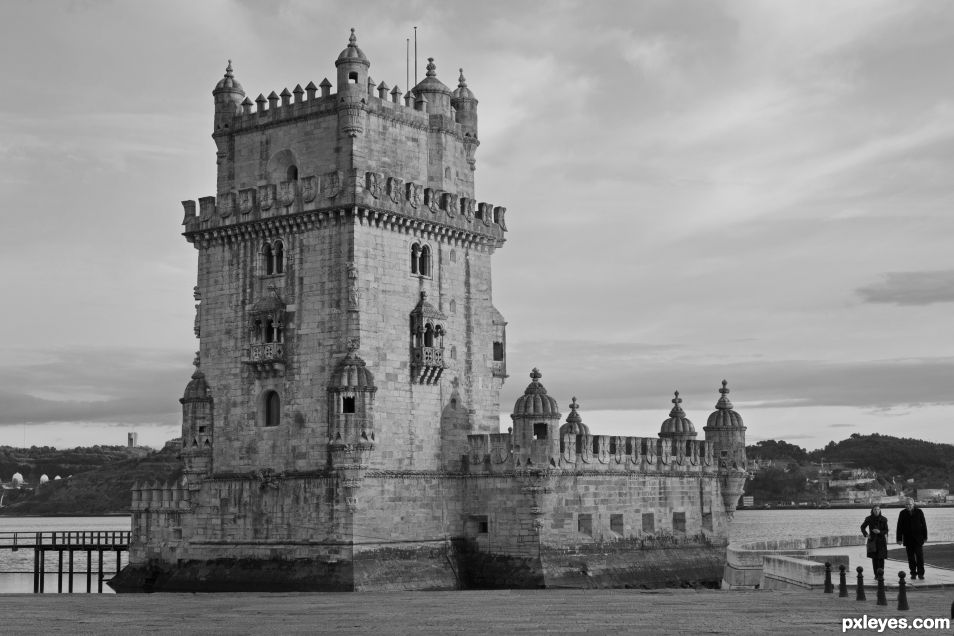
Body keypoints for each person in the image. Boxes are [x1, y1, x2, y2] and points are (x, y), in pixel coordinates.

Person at [896, 498, 927, 579]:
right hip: (908, 539)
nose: (908, 506)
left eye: (910, 504)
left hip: (918, 538)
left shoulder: (919, 511)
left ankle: (921, 573)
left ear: (913, 504)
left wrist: (925, 536)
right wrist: (899, 539)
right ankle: (913, 573)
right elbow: (899, 527)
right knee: (911, 558)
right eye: (907, 504)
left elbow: (923, 524)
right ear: (905, 505)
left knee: (919, 557)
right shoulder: (902, 513)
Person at [861, 505, 889, 580]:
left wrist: (879, 532)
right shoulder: (869, 518)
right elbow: (862, 527)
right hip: (872, 540)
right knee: (875, 559)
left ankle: (881, 574)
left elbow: (886, 530)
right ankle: (876, 574)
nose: (876, 511)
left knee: (881, 558)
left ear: (880, 510)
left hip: (881, 541)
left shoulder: (884, 519)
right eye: (875, 509)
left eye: (878, 509)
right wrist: (866, 534)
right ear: (872, 510)